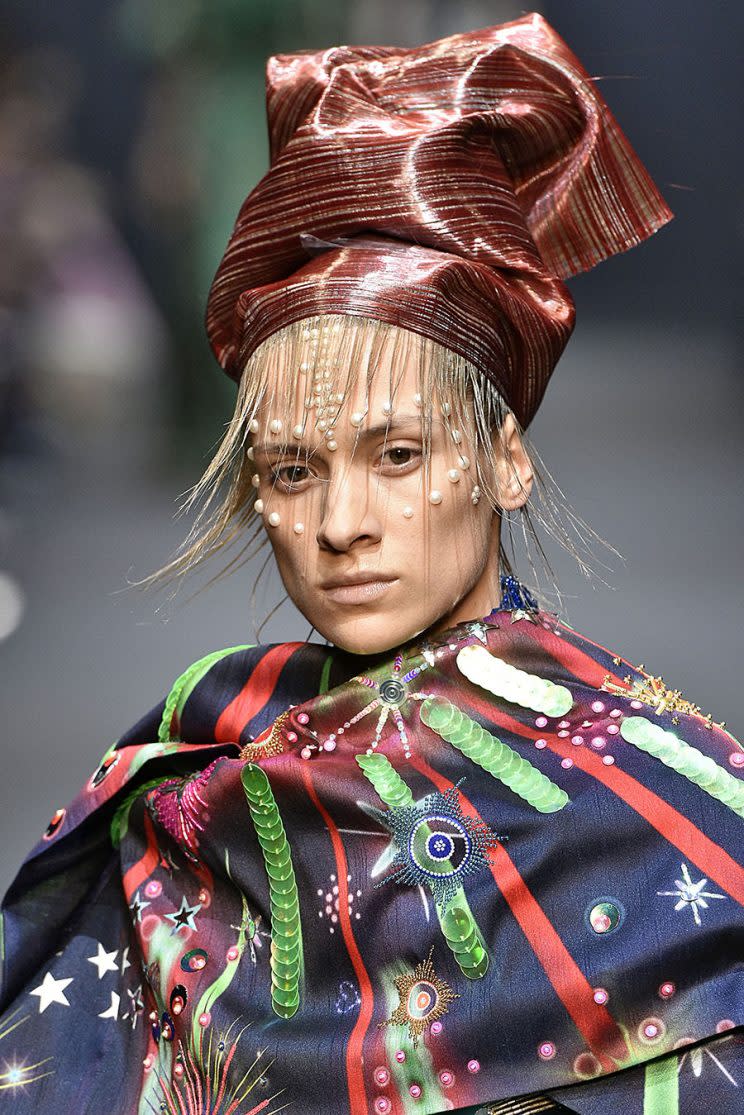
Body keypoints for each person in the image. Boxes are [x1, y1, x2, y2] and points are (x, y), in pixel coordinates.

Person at [1, 13, 741, 1114]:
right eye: (293, 471)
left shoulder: (672, 807)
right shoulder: (190, 779)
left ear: (505, 460)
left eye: (397, 455)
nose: (343, 520)